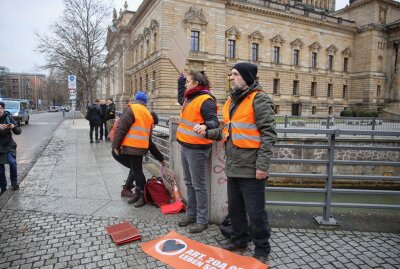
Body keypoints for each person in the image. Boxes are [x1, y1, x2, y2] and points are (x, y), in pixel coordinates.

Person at [207, 62, 277, 263]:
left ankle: (262, 249)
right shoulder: (232, 101)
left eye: (236, 74)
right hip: (233, 165)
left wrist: (262, 166)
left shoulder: (259, 99)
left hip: (252, 167)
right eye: (231, 74)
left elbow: (268, 135)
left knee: (256, 212)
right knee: (235, 209)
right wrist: (207, 132)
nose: (232, 77)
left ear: (246, 77)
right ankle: (239, 240)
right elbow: (226, 131)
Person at [176, 71, 219, 233]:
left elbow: (214, 121)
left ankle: (202, 220)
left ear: (195, 83)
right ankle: (191, 214)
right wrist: (180, 81)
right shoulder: (190, 96)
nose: (186, 84)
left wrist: (205, 126)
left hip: (197, 148)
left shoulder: (206, 100)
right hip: (185, 145)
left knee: (199, 185)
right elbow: (180, 98)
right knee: (189, 183)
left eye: (187, 81)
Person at [112, 92, 165, 207]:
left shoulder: (131, 109)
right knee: (136, 170)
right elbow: (149, 141)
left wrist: (116, 146)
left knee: (137, 171)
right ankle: (138, 193)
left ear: (135, 99)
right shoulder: (147, 114)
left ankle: (142, 195)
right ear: (145, 102)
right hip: (140, 148)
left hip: (131, 146)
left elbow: (121, 129)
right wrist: (160, 158)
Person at [0, 101, 22, 195]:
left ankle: (14, 183)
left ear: (3, 109)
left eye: (0, 108)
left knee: (12, 163)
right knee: (0, 171)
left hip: (8, 145)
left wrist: (13, 126)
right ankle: (3, 188)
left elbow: (18, 131)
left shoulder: (9, 117)